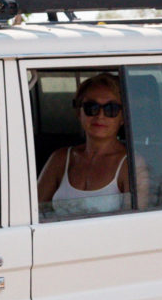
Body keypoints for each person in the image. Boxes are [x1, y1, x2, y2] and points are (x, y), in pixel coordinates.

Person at [37, 71, 149, 219]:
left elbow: (135, 223)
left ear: (123, 117)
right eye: (91, 107)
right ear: (79, 113)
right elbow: (31, 211)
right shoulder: (60, 158)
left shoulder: (132, 164)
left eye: (111, 109)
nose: (100, 115)